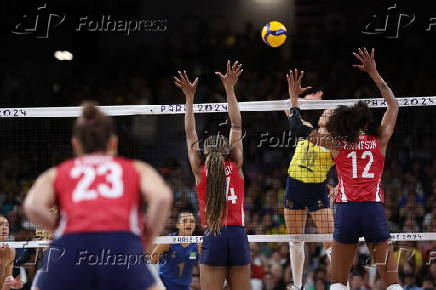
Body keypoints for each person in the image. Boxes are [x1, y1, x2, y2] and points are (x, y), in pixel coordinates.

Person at [24, 102, 173, 290]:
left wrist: (60, 228)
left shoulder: (59, 172)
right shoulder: (136, 168)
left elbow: (32, 205)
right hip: (121, 244)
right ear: (113, 142)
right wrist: (147, 239)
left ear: (75, 144)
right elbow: (162, 197)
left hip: (71, 244)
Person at [289, 48, 400, 290]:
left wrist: (294, 100)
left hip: (347, 211)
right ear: (367, 122)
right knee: (392, 285)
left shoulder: (338, 144)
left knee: (338, 283)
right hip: (373, 210)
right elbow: (393, 105)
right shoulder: (380, 140)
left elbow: (298, 129)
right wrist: (374, 73)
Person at [175, 60, 249, 290]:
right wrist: (229, 88)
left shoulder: (201, 170)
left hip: (214, 237)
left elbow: (189, 132)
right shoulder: (236, 164)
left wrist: (189, 97)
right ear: (227, 150)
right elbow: (236, 124)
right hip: (237, 236)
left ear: (204, 152)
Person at [283, 78, 335, 290]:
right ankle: (297, 286)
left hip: (316, 191)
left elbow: (348, 165)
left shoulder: (335, 143)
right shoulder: (307, 128)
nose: (324, 111)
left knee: (331, 241)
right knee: (295, 240)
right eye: (324, 110)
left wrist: (339, 185)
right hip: (294, 187)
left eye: (329, 112)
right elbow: (288, 110)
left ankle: (343, 284)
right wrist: (301, 99)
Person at [151, 211, 198, 290]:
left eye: (192, 221)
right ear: (178, 225)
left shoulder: (198, 243)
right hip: (165, 285)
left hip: (185, 287)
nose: (189, 224)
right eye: (185, 221)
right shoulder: (168, 241)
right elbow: (153, 260)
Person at [0, 215, 23, 290]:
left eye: (7, 225)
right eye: (0, 225)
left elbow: (7, 278)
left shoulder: (11, 250)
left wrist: (12, 284)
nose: (5, 228)